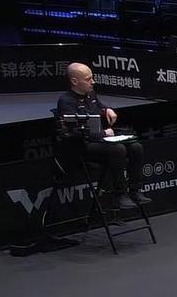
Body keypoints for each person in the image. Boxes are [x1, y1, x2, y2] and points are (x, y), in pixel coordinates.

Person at [56, 63, 149, 209]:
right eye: (88, 79)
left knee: (136, 147)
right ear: (74, 81)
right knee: (118, 149)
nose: (93, 82)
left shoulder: (91, 94)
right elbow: (76, 132)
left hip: (100, 140)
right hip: (83, 145)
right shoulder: (66, 101)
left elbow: (100, 106)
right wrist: (104, 133)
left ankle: (135, 190)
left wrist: (108, 109)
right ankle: (119, 194)